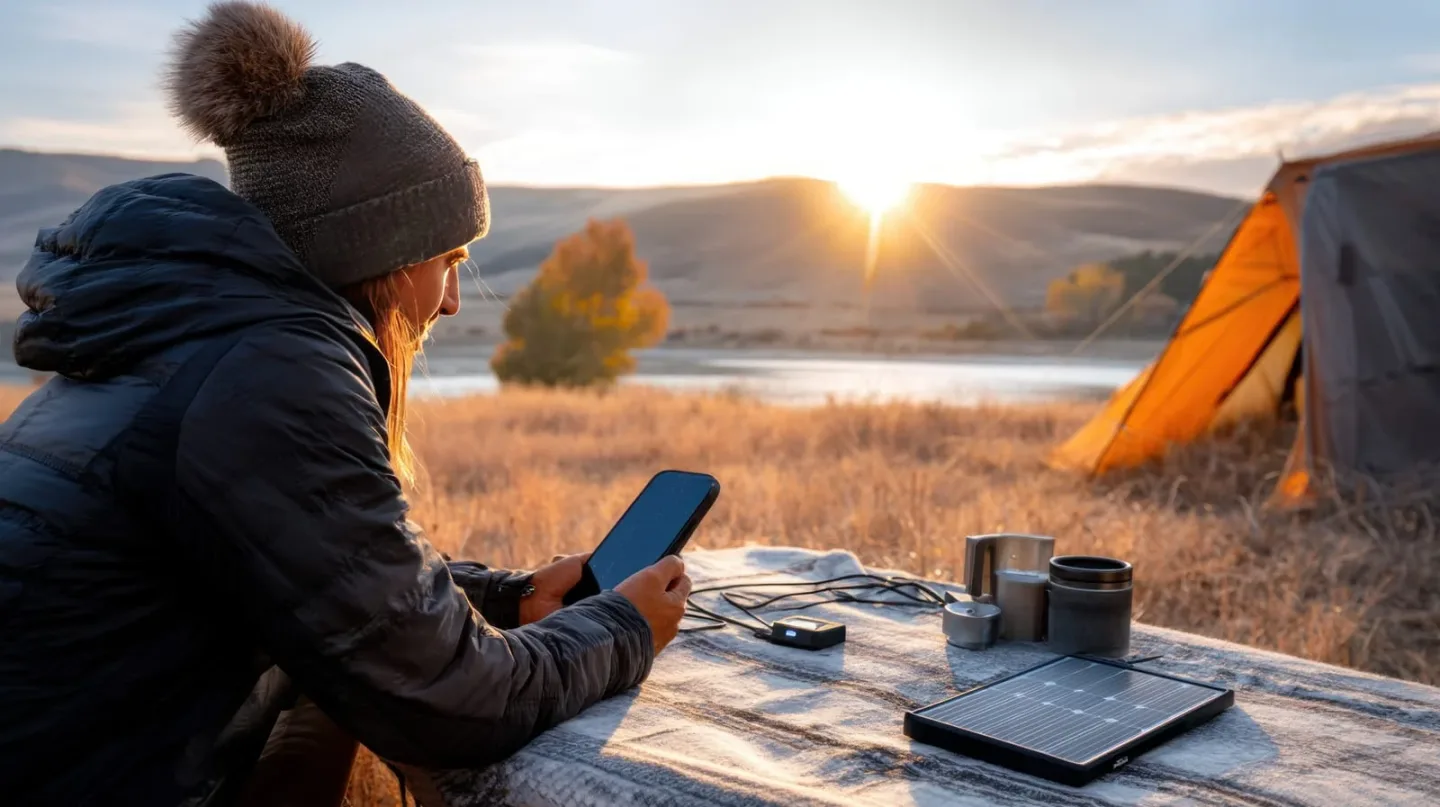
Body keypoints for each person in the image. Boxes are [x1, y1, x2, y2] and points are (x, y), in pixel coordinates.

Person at [0, 2, 692, 805]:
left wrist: (505, 597)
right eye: (448, 259)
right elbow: (451, 701)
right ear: (380, 256)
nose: (452, 300)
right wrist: (624, 626)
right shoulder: (269, 374)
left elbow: (290, 567)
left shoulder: (177, 341)